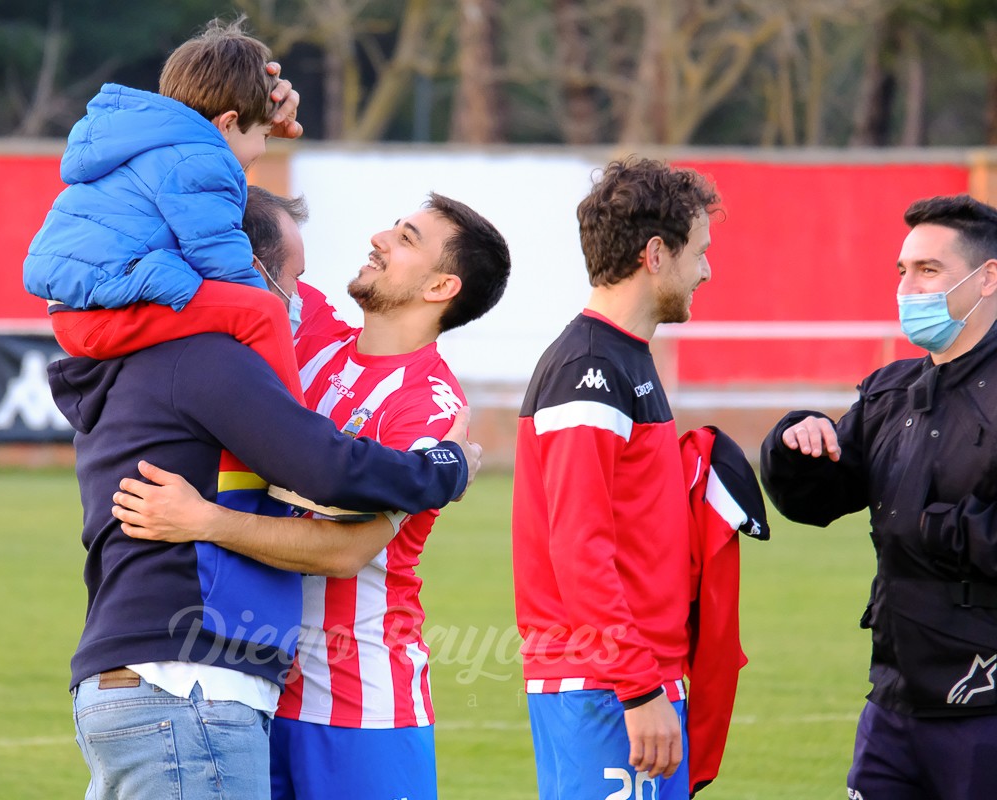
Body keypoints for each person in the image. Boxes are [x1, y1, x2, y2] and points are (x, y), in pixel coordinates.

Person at [50, 209, 483, 800]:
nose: (378, 238)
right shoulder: (310, 333)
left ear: (441, 287)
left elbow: (347, 552)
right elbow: (231, 239)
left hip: (358, 697)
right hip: (250, 683)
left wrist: (206, 520)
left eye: (406, 239)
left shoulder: (427, 408)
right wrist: (244, 123)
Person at [759, 194, 997, 799]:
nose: (908, 288)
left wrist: (932, 527)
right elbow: (819, 499)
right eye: (902, 271)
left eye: (928, 270)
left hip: (983, 710)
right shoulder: (891, 391)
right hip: (891, 704)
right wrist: (794, 444)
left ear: (987, 278)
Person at [512, 156, 719, 800]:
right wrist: (638, 687)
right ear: (656, 254)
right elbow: (579, 546)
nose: (707, 270)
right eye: (700, 253)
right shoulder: (590, 367)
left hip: (629, 677)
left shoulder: (621, 357)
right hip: (608, 685)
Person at [25, 18, 307, 396]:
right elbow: (222, 260)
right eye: (264, 135)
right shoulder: (202, 159)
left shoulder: (146, 140)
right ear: (228, 123)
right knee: (263, 312)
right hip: (105, 315)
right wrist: (260, 313)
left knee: (221, 308)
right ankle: (291, 433)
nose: (262, 148)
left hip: (78, 311)